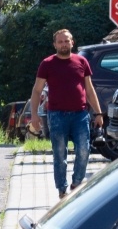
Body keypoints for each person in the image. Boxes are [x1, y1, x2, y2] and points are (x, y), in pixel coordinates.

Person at [27, 28, 104, 198]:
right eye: (60, 41)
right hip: (57, 115)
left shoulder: (82, 62)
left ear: (72, 42)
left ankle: (76, 184)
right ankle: (62, 190)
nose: (64, 44)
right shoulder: (47, 64)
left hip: (80, 114)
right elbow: (36, 91)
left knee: (84, 150)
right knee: (59, 154)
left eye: (66, 41)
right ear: (55, 44)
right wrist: (34, 115)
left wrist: (98, 113)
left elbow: (89, 89)